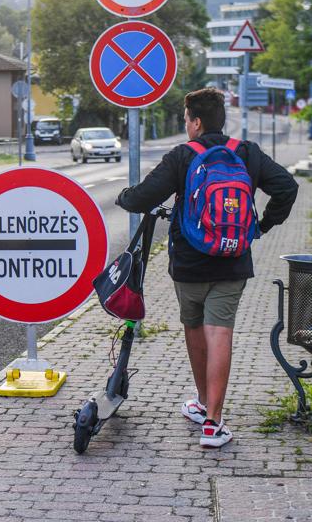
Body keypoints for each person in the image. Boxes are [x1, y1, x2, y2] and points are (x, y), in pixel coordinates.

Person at [115, 87, 298, 448]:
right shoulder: (246, 153)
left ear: (196, 122)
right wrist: (261, 226)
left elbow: (144, 196)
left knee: (194, 329)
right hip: (233, 260)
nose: (186, 125)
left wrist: (123, 197)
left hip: (188, 261)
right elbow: (287, 187)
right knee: (221, 333)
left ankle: (202, 402)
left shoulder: (183, 156)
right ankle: (212, 421)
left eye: (186, 120)